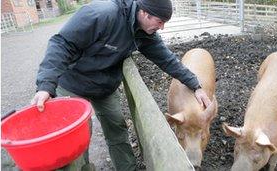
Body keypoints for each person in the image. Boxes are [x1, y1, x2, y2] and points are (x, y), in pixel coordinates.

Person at [31, 0, 211, 170]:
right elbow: (62, 43)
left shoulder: (144, 33)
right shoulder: (103, 14)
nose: (162, 27)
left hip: (104, 86)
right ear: (144, 12)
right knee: (78, 136)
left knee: (117, 126)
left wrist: (195, 85)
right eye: (160, 21)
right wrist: (46, 85)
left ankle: (127, 168)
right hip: (73, 82)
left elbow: (167, 60)